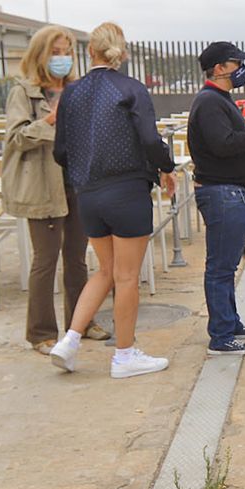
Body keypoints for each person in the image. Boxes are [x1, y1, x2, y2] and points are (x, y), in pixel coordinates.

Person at [46, 22, 176, 379]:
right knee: (127, 276)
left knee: (104, 271)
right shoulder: (131, 88)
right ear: (124, 52)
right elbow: (150, 139)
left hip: (88, 193)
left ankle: (69, 341)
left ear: (89, 52)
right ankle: (124, 354)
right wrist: (167, 167)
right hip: (127, 191)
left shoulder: (70, 94)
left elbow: (60, 151)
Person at [2, 25, 105, 352]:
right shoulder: (24, 92)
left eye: (67, 52)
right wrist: (49, 122)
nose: (61, 58)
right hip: (42, 187)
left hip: (77, 183)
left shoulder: (77, 88)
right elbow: (16, 139)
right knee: (45, 260)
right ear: (40, 54)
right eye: (55, 52)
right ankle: (41, 333)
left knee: (77, 257)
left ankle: (82, 322)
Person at [190, 41, 245, 358]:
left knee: (226, 265)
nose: (242, 68)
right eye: (236, 63)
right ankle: (222, 336)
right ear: (220, 68)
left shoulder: (218, 100)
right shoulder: (210, 102)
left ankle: (230, 322)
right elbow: (223, 145)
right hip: (223, 194)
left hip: (232, 193)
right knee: (221, 268)